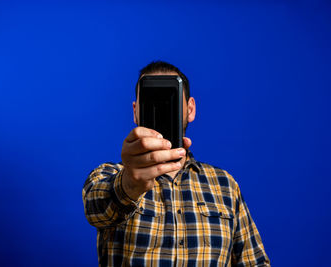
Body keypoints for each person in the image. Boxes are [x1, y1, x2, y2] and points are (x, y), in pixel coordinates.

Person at [82, 61, 270, 266]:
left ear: (190, 109)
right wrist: (128, 184)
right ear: (136, 111)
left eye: (170, 100)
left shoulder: (225, 185)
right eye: (153, 100)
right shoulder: (108, 174)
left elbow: (255, 262)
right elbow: (97, 211)